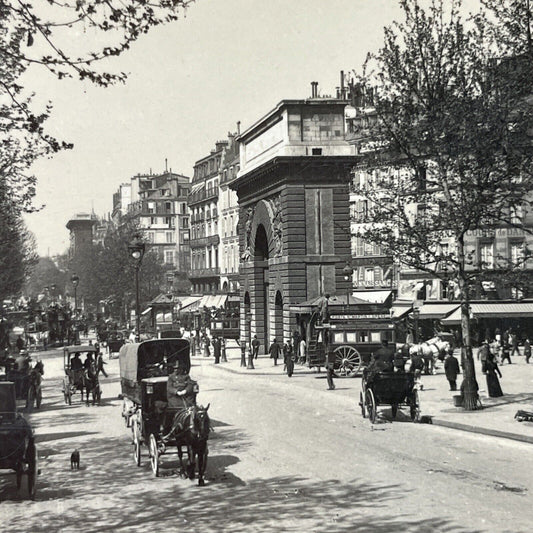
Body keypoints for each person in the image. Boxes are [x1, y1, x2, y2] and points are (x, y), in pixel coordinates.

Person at [164, 364, 198, 439]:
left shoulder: (186, 377)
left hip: (185, 396)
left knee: (190, 407)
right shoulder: (171, 377)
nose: (176, 370)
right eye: (175, 368)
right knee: (175, 408)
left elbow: (190, 385)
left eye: (178, 368)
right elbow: (169, 388)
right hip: (174, 397)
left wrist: (185, 391)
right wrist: (176, 392)